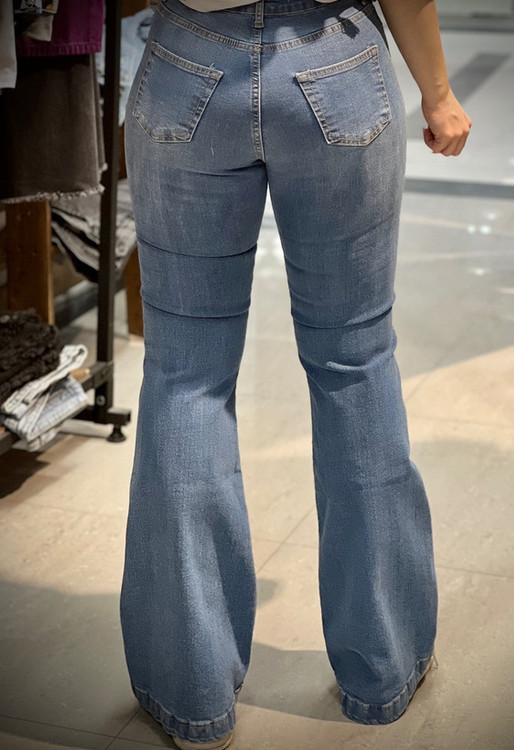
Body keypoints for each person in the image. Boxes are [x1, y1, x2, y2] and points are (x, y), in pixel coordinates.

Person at [119, 0, 471, 747]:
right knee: (355, 361)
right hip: (332, 59)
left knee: (185, 373)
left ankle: (190, 690)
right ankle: (382, 667)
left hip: (188, 61)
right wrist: (437, 93)